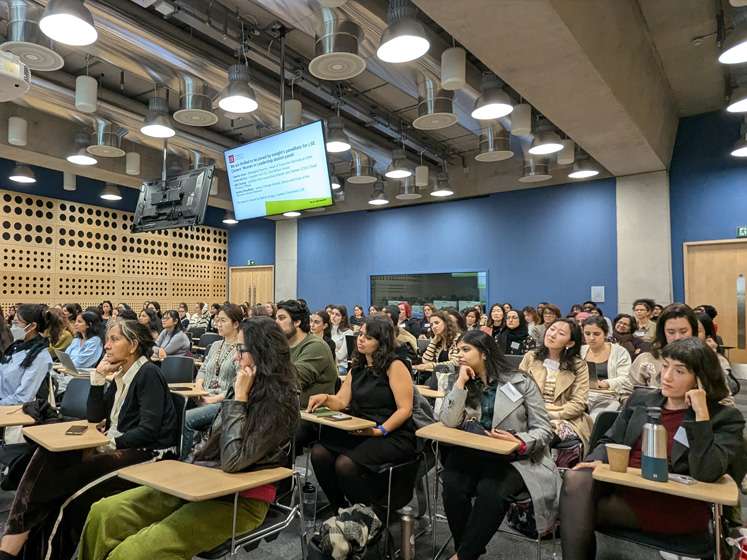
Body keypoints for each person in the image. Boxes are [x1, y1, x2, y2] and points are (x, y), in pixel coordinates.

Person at [78, 316, 300, 560]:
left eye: (241, 350)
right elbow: (216, 442)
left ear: (262, 353)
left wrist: (238, 399)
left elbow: (233, 462)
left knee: (136, 551)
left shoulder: (281, 401)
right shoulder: (246, 382)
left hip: (240, 499)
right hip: (204, 478)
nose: (236, 357)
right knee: (103, 513)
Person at [0, 320, 178, 559]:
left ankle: (12, 546)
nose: (107, 346)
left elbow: (148, 431)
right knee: (48, 458)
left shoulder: (148, 374)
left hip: (149, 453)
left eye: (114, 340)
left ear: (134, 344)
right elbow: (96, 417)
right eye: (107, 340)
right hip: (119, 445)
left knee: (69, 500)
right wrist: (98, 378)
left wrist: (105, 444)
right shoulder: (121, 373)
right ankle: (16, 547)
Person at [559, 337, 747, 560]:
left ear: (701, 379)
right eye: (666, 366)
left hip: (676, 501)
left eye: (680, 371)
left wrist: (701, 416)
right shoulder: (641, 398)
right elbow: (610, 439)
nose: (666, 376)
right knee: (575, 479)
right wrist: (599, 459)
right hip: (627, 485)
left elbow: (706, 473)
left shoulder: (724, 418)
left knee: (573, 509)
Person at [439, 330, 560, 560]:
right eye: (458, 350)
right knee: (453, 485)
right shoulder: (459, 380)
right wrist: (461, 383)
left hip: (514, 458)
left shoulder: (520, 381)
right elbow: (449, 421)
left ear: (484, 354)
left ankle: (462, 556)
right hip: (472, 452)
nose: (459, 355)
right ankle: (467, 552)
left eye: (466, 349)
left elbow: (544, 429)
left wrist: (519, 442)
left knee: (491, 490)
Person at [307, 314, 417, 511]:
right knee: (319, 453)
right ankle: (340, 509)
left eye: (367, 337)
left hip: (392, 432)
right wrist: (324, 397)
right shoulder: (357, 366)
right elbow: (341, 401)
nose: (360, 339)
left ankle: (366, 516)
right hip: (362, 427)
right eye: (360, 334)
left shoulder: (395, 365)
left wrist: (380, 430)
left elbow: (404, 410)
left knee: (345, 464)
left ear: (381, 342)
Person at [179, 304, 242, 461]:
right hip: (203, 395)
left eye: (223, 321)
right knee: (173, 410)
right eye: (217, 320)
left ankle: (185, 460)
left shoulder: (240, 350)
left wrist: (209, 399)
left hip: (221, 403)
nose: (218, 324)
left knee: (186, 419)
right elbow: (203, 370)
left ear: (236, 324)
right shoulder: (214, 345)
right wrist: (199, 388)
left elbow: (235, 387)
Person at [519, 318, 593, 449]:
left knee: (542, 436)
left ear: (570, 343)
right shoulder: (531, 357)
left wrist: (550, 415)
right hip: (530, 413)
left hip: (564, 419)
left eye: (561, 333)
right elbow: (518, 389)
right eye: (552, 329)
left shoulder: (578, 365)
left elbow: (578, 403)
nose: (552, 334)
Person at [620, 303, 698, 400]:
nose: (677, 338)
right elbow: (627, 394)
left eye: (683, 331)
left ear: (693, 331)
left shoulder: (706, 358)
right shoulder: (647, 359)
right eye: (671, 332)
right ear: (663, 332)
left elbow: (721, 399)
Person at [276, 300, 337, 407]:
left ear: (297, 322)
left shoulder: (316, 346)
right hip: (287, 411)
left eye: (281, 318)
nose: (276, 323)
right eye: (276, 318)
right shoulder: (281, 346)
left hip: (311, 417)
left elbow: (290, 382)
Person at [0, 304, 56, 406]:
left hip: (14, 410)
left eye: (17, 323)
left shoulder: (40, 356)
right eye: (13, 322)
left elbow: (23, 398)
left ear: (32, 326)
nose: (13, 327)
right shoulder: (15, 347)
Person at [579, 316, 631, 418]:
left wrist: (605, 383)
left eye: (597, 334)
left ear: (605, 334)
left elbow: (625, 378)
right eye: (587, 334)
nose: (591, 338)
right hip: (581, 396)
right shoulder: (580, 351)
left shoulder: (619, 352)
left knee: (595, 419)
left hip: (608, 397)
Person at [54, 311, 105, 392]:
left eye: (79, 322)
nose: (76, 324)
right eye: (76, 321)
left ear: (89, 325)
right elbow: (65, 357)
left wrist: (68, 363)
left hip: (80, 378)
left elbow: (80, 363)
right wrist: (68, 363)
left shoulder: (95, 341)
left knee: (52, 387)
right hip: (68, 373)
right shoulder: (77, 340)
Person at [413, 310, 459, 374]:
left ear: (446, 323)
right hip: (438, 375)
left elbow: (455, 362)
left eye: (437, 323)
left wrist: (430, 365)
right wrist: (433, 341)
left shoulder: (458, 339)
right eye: (431, 325)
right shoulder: (438, 340)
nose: (434, 327)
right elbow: (425, 361)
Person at [330, 305, 354, 375]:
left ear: (343, 318)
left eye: (337, 315)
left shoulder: (348, 332)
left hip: (341, 366)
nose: (333, 316)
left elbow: (340, 356)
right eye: (332, 313)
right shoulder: (326, 330)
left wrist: (329, 350)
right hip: (326, 365)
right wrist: (334, 350)